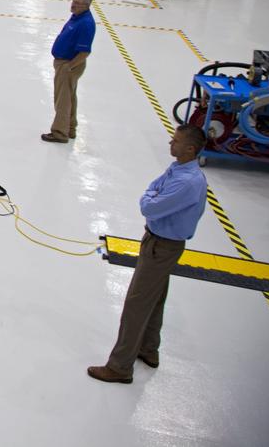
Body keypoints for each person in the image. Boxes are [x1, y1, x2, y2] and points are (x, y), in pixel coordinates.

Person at [87, 126, 208, 383]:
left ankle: (119, 367)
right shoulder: (179, 170)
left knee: (136, 304)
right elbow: (155, 187)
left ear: (191, 149)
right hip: (158, 242)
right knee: (156, 298)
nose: (170, 143)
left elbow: (150, 206)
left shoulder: (187, 182)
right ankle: (149, 349)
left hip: (162, 246)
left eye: (175, 141)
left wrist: (149, 197)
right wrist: (151, 195)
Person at [42, 0, 95, 143]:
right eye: (74, 2)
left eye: (78, 4)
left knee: (62, 100)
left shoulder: (86, 23)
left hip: (69, 65)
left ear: (87, 6)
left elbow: (84, 52)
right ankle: (70, 128)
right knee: (69, 97)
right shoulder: (77, 17)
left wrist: (69, 67)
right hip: (65, 63)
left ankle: (59, 132)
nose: (74, 5)